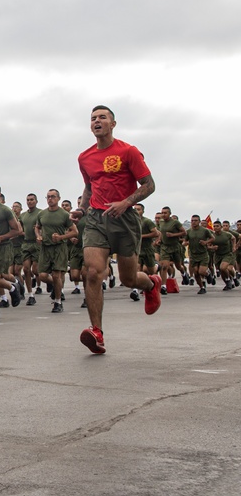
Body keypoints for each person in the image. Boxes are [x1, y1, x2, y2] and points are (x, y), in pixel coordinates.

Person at [71, 105, 161, 354]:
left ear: (113, 124)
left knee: (128, 278)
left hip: (124, 218)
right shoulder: (84, 157)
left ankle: (151, 285)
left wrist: (126, 202)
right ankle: (96, 332)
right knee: (92, 272)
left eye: (102, 117)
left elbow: (149, 185)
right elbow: (89, 188)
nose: (97, 121)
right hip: (96, 219)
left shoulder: (128, 151)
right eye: (93, 118)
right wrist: (82, 207)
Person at [35, 189, 78, 313]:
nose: (50, 199)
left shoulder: (64, 214)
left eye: (53, 196)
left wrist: (61, 237)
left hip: (59, 247)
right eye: (48, 197)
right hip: (45, 247)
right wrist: (38, 236)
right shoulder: (42, 214)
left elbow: (74, 231)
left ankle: (58, 302)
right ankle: (55, 286)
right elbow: (37, 227)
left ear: (58, 198)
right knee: (42, 275)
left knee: (56, 275)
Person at [0, 183, 23, 315]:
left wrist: (2, 237)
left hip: (2, 247)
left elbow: (17, 230)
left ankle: (12, 288)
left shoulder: (5, 210)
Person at [156, 206, 186, 294]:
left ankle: (184, 273)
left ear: (169, 214)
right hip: (165, 247)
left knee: (178, 266)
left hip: (175, 247)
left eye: (165, 213)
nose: (163, 214)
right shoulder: (161, 222)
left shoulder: (175, 222)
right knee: (164, 266)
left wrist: (173, 235)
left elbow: (184, 233)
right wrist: (159, 239)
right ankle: (164, 286)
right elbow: (161, 232)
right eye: (162, 213)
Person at [20, 194, 42, 304]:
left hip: (37, 244)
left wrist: (39, 233)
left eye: (32, 200)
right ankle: (30, 294)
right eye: (28, 200)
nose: (30, 202)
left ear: (36, 201)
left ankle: (42, 282)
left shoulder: (40, 213)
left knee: (35, 270)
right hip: (26, 243)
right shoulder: (23, 215)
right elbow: (20, 229)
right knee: (26, 269)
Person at [185, 215, 215, 294]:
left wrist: (206, 242)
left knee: (201, 271)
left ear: (199, 222)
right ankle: (202, 287)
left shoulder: (204, 230)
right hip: (193, 255)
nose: (193, 222)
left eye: (195, 220)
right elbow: (185, 240)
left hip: (203, 254)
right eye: (192, 220)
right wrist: (184, 243)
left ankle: (208, 273)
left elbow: (212, 238)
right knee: (196, 272)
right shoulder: (189, 231)